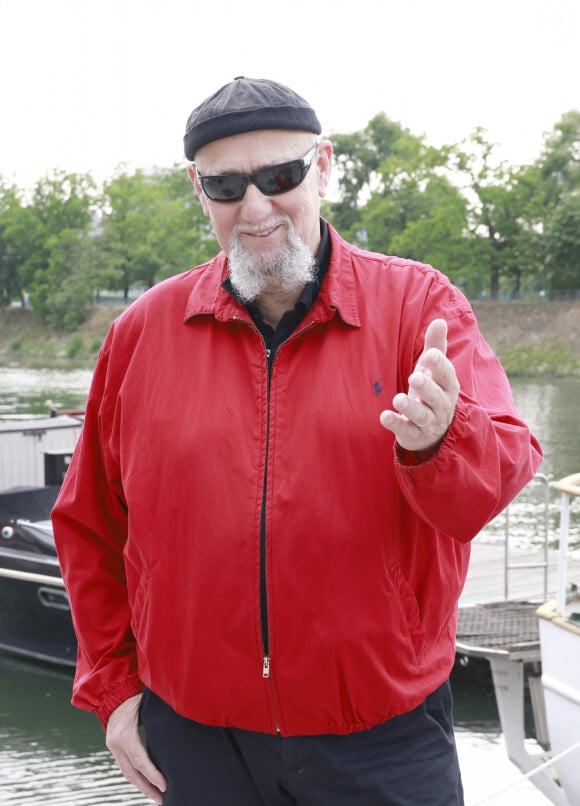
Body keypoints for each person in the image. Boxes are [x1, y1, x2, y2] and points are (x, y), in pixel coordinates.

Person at [52, 76, 542, 805]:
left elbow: (488, 487)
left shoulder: (419, 307)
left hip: (383, 739)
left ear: (325, 167)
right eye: (226, 186)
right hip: (197, 740)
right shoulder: (139, 336)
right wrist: (115, 689)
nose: (256, 208)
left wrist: (444, 437)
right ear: (198, 190)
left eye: (280, 176)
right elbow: (88, 526)